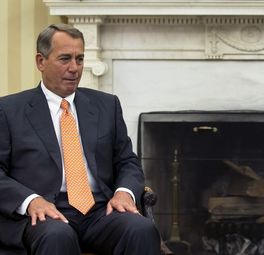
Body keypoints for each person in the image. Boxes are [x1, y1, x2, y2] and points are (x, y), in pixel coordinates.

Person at [0, 24, 161, 255]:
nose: (74, 68)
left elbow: (127, 160)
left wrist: (124, 192)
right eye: (65, 59)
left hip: (100, 209)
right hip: (46, 211)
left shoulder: (106, 105)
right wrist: (31, 200)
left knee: (141, 229)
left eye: (80, 59)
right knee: (57, 236)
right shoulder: (9, 110)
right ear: (40, 61)